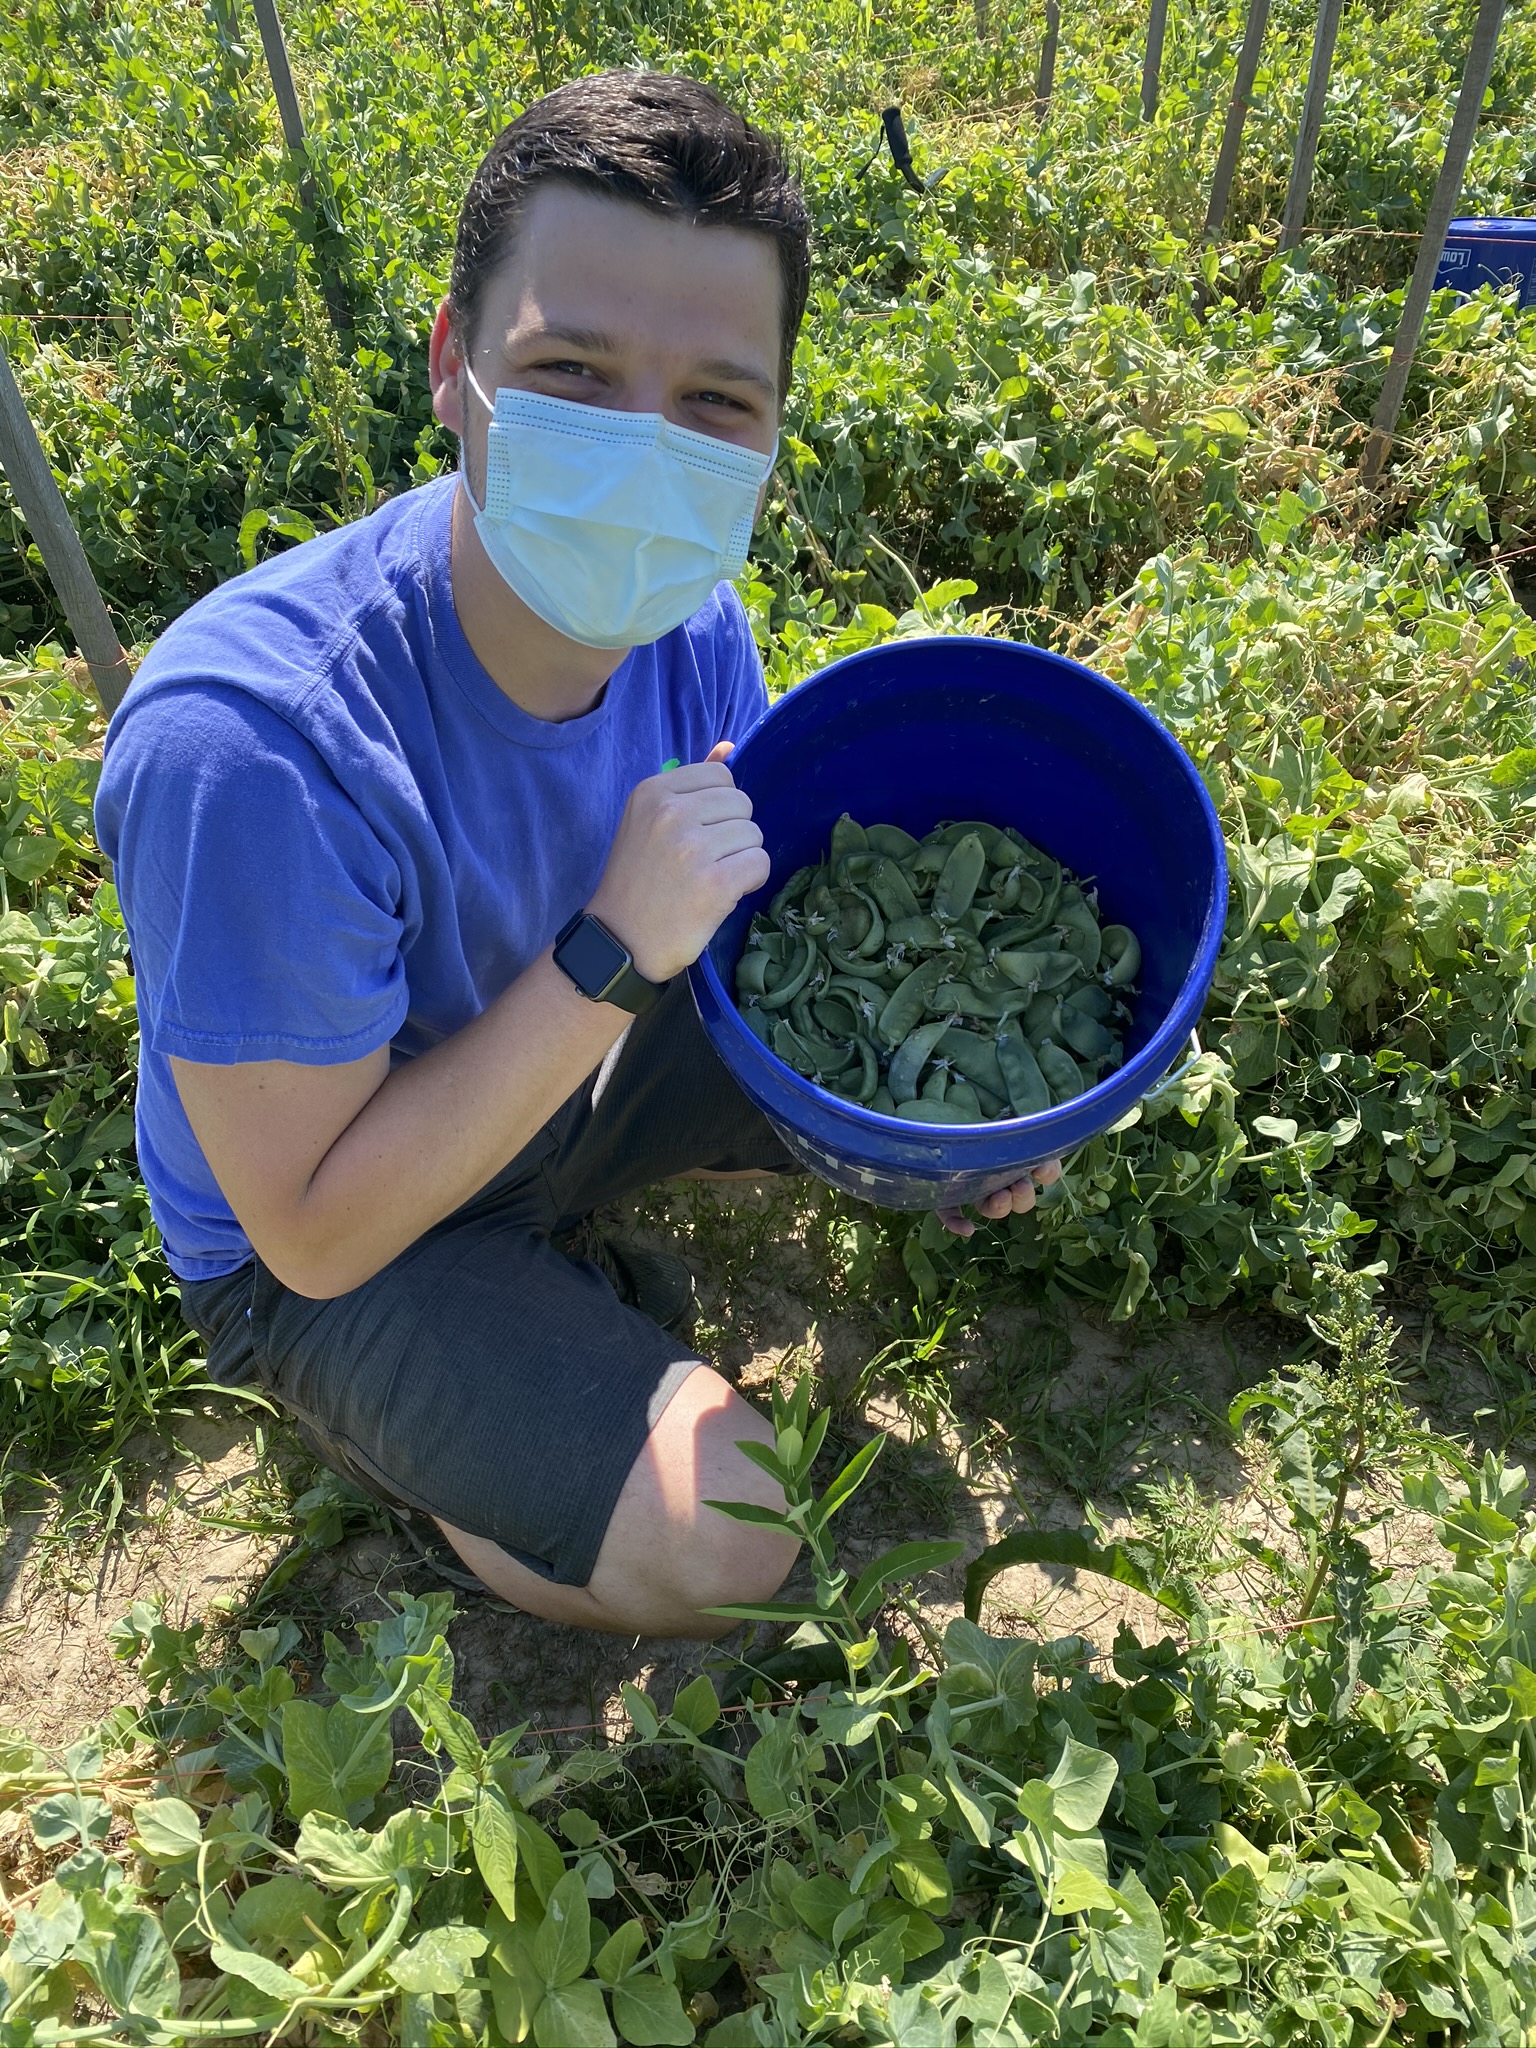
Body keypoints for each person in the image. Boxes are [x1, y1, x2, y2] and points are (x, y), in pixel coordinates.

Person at [94, 71, 1059, 1640]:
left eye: (715, 405)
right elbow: (314, 1226)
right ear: (453, 369)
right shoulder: (257, 744)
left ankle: (546, 1326)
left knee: (938, 1086)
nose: (643, 453)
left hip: (562, 1077)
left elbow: (757, 950)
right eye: (572, 371)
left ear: (769, 434)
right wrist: (612, 947)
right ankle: (440, 1451)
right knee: (742, 1536)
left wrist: (946, 1137)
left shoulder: (693, 622)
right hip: (330, 1244)